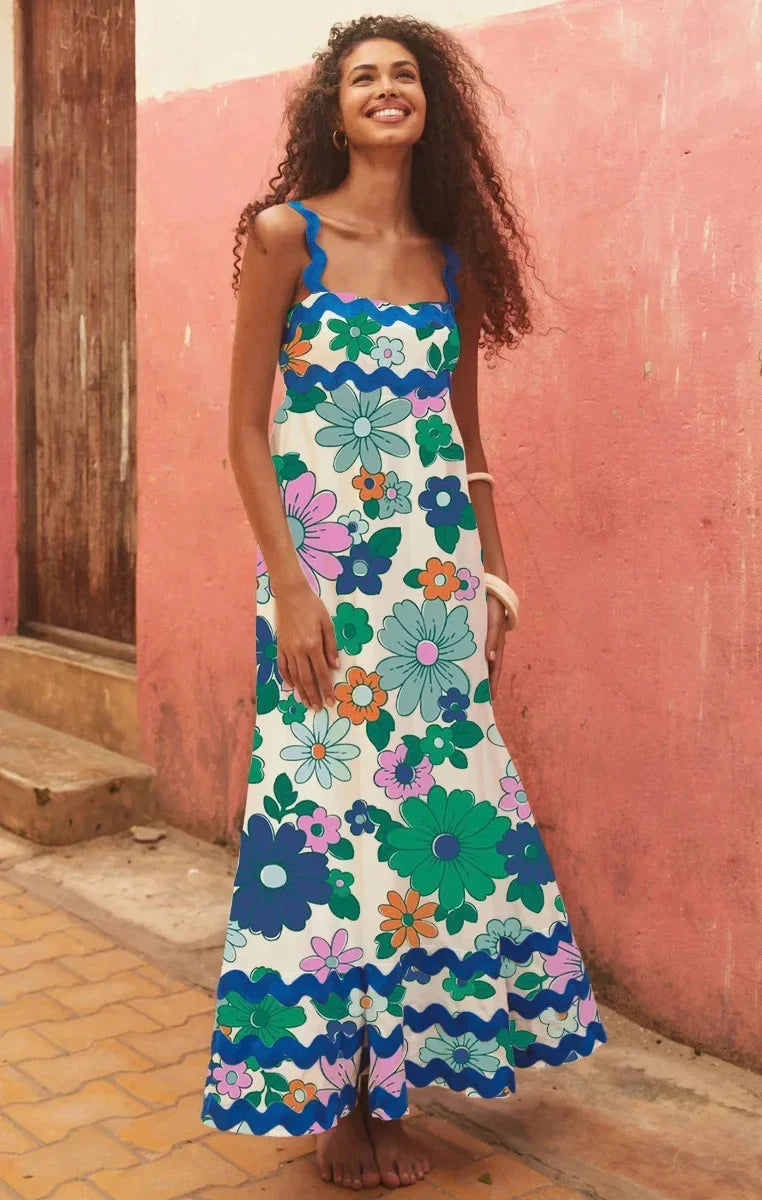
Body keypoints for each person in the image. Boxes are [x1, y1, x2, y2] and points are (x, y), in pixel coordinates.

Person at [200, 14, 607, 1192]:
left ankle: (398, 1084)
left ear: (433, 109)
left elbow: (463, 437)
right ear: (331, 108)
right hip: (321, 579)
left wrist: (492, 569)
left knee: (429, 832)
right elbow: (242, 425)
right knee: (329, 832)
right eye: (363, 77)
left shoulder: (452, 258)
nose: (386, 89)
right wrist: (287, 583)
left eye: (405, 76)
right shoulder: (287, 237)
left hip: (431, 594)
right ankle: (342, 1108)